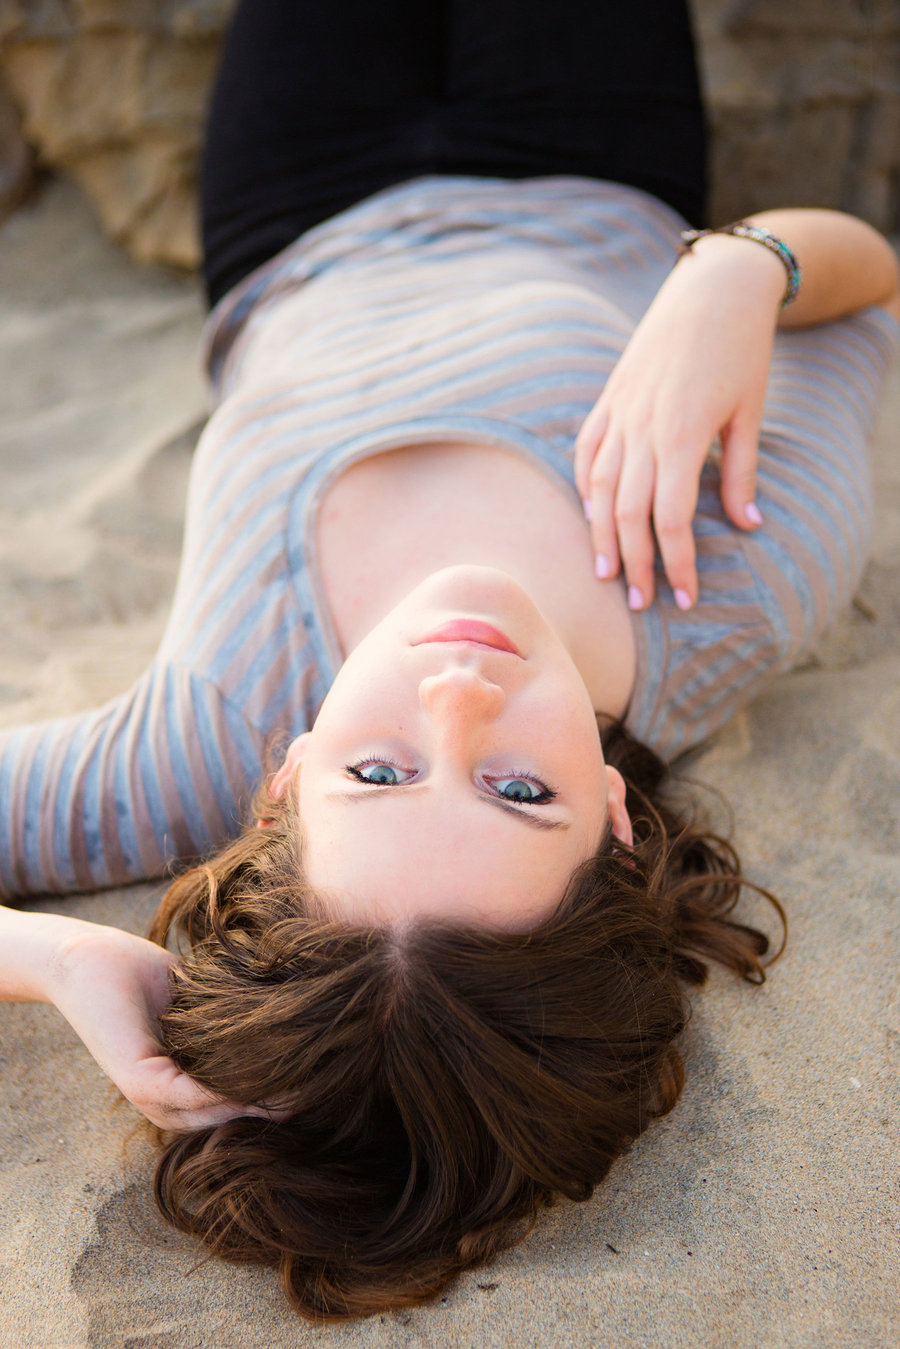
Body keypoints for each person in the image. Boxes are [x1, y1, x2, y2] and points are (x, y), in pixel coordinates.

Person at [1, 0, 898, 1322]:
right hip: (591, 162)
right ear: (617, 825)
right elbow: (870, 294)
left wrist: (53, 960)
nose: (457, 696)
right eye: (518, 792)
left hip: (298, 209)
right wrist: (741, 270)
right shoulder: (740, 588)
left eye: (377, 772)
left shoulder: (204, 736)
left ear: (286, 786)